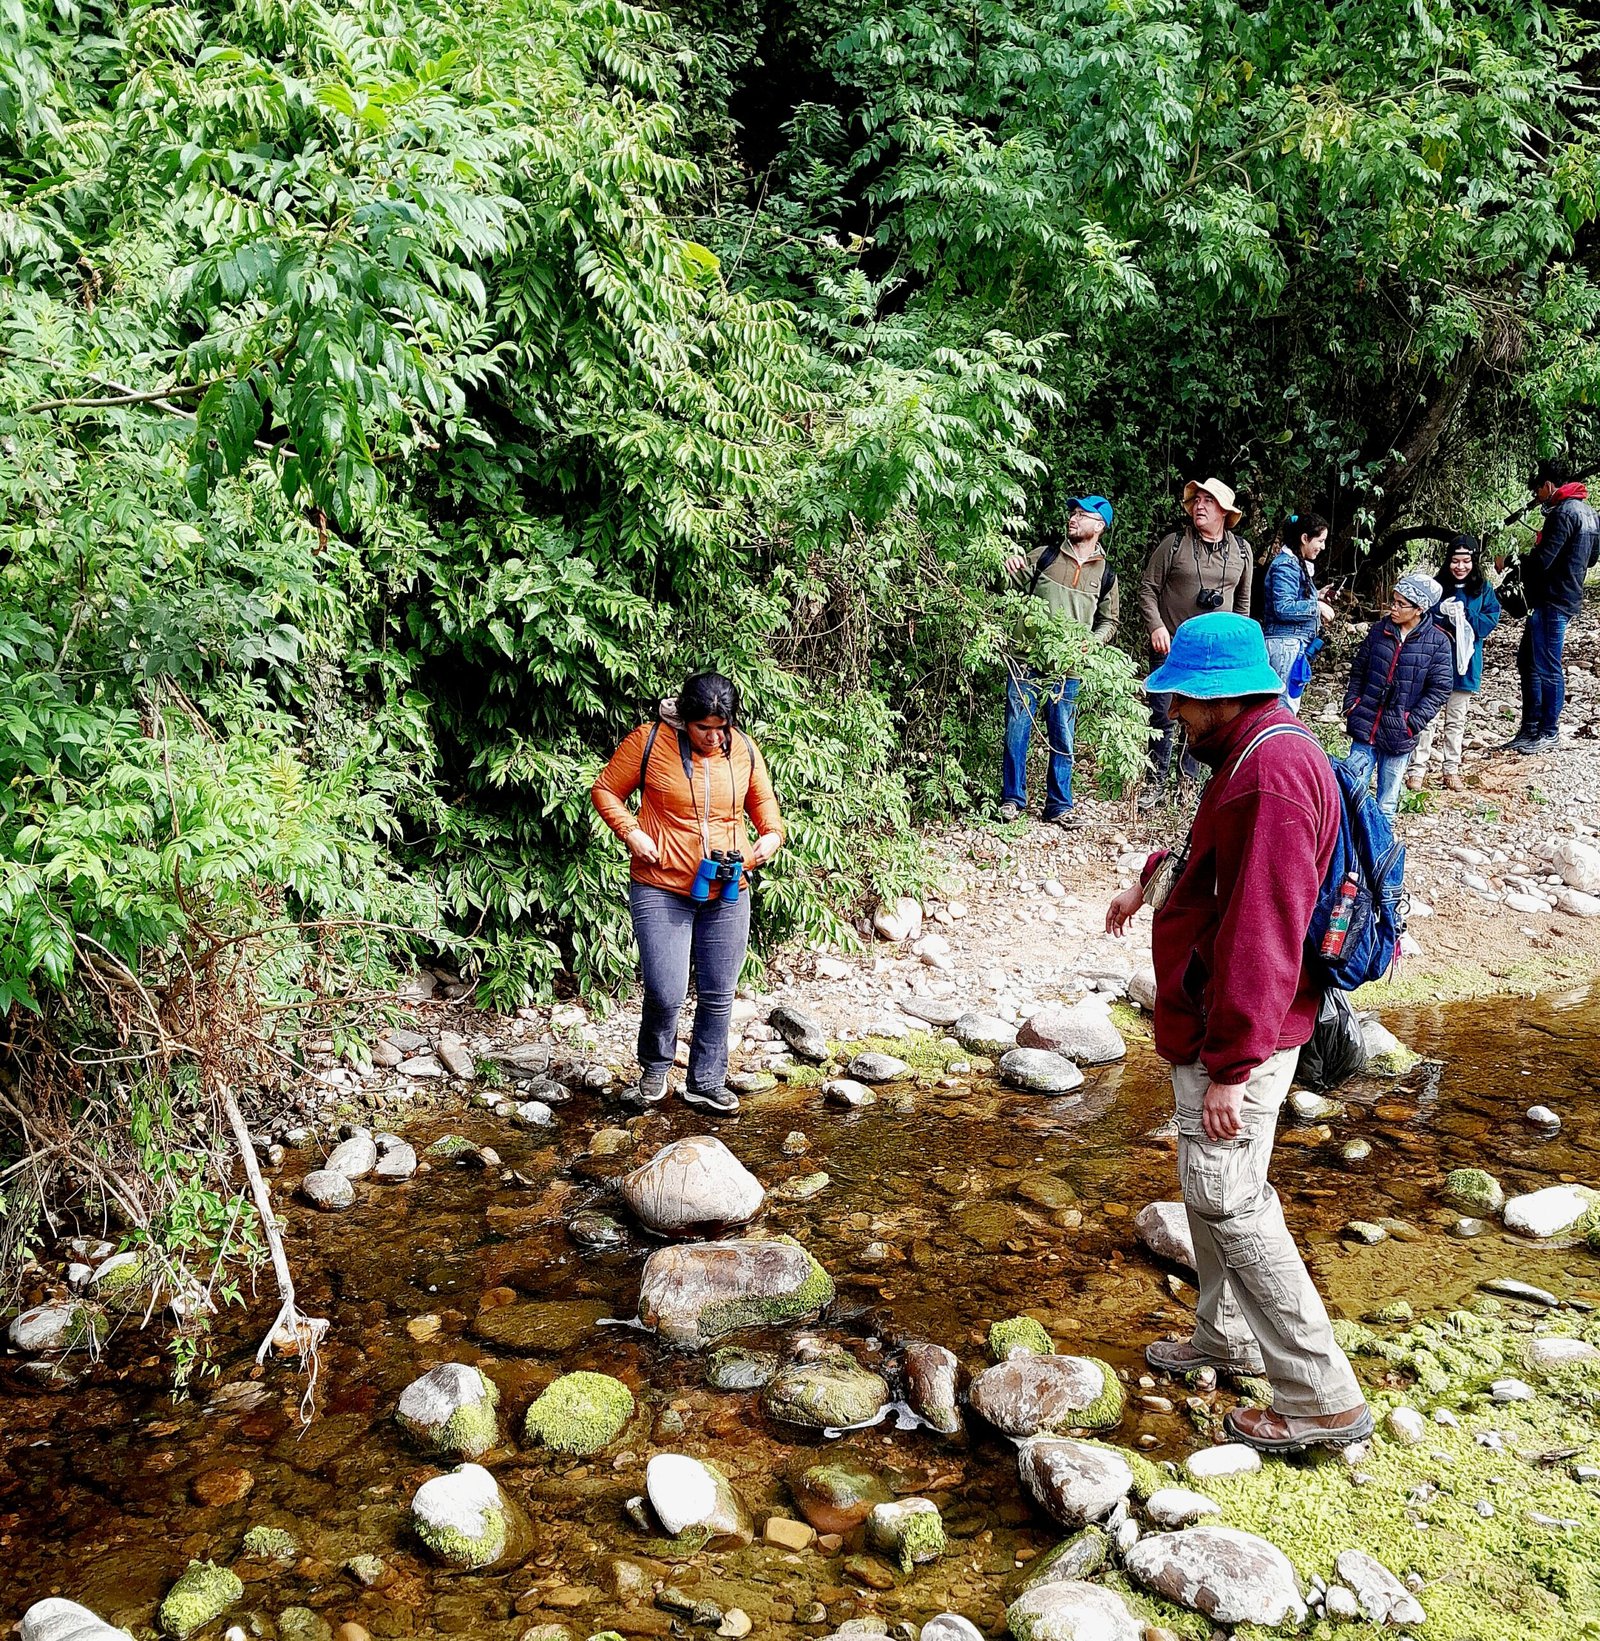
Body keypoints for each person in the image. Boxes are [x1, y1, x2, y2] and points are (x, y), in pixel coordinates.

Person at [1104, 613, 1372, 1452]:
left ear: (1220, 696)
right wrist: (1147, 884)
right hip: (1225, 1019)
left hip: (1241, 1032)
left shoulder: (1271, 776)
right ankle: (1225, 1336)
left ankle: (1321, 1394)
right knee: (1212, 1183)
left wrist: (1232, 1064)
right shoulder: (1252, 751)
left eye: (1180, 697)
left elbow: (1265, 926)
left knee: (1227, 1193)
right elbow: (1213, 861)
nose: (1172, 710)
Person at [591, 672, 784, 1115]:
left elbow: (765, 807)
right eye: (704, 728)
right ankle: (655, 1071)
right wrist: (632, 833)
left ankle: (706, 1082)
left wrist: (771, 836)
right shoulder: (648, 741)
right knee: (666, 989)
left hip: (729, 884)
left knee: (719, 991)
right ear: (684, 720)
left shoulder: (745, 750)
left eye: (723, 727)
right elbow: (605, 790)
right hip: (661, 884)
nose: (715, 737)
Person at [1000, 495, 1121, 828]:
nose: (1073, 519)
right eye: (1072, 513)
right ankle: (1012, 800)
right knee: (1017, 730)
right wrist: (1007, 568)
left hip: (1069, 666)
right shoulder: (1045, 556)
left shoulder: (1106, 575)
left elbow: (1110, 621)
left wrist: (1092, 644)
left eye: (1082, 515)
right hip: (1026, 658)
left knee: (1063, 737)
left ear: (1099, 526)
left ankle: (1059, 806)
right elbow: (1006, 587)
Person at [1139, 478, 1253, 806]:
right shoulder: (1174, 544)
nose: (1199, 506)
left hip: (1216, 653)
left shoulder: (1242, 551)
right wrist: (1156, 626)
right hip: (1171, 645)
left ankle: (1188, 784)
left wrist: (1238, 647)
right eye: (1197, 500)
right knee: (1162, 714)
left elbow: (1242, 604)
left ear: (1224, 512)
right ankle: (1154, 782)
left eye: (1209, 501)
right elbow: (1148, 589)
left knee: (1206, 717)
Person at [1340, 572, 1454, 819]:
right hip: (1364, 722)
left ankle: (1380, 852)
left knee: (1387, 803)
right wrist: (1352, 704)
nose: (1393, 608)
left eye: (1401, 604)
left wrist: (1412, 722)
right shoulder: (1380, 630)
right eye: (1393, 601)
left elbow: (1440, 688)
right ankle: (1348, 852)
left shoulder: (1438, 642)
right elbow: (1359, 668)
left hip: (1400, 733)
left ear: (1419, 609)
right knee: (1350, 793)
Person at [1506, 458, 1599, 754]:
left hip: (1552, 599)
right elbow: (1593, 558)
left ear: (1548, 486)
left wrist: (1510, 560)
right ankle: (1530, 728)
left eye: (1537, 491)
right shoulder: (1590, 513)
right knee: (1528, 661)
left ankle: (1547, 731)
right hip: (1567, 596)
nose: (1537, 497)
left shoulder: (1562, 513)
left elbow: (1542, 561)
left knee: (1546, 666)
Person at [1406, 535, 1501, 792]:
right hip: (1435, 663)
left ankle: (1451, 769)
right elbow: (1419, 619)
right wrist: (1440, 614)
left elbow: (1488, 622)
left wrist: (1465, 614)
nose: (1460, 566)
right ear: (1448, 561)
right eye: (1455, 561)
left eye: (1466, 561)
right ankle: (1417, 769)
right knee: (1427, 717)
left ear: (1474, 561)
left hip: (1466, 664)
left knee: (1456, 719)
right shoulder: (1436, 587)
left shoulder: (1483, 589)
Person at [1259, 510, 1334, 713]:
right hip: (1284, 646)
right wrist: (1316, 607)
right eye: (1320, 540)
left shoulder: (1295, 565)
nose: (1323, 547)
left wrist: (1316, 595)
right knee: (1282, 708)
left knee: (1285, 705)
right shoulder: (1285, 565)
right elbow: (1283, 607)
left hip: (1292, 645)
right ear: (1304, 538)